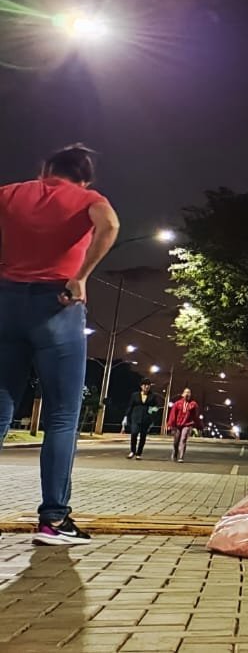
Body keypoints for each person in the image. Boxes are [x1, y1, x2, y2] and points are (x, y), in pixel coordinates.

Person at [0, 144, 120, 546]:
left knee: (1, 407)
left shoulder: (10, 193)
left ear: (45, 168)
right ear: (85, 177)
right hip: (58, 306)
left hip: (6, 303)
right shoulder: (88, 198)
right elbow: (110, 226)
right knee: (63, 416)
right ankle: (53, 520)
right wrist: (81, 275)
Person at [125, 379, 163, 461]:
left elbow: (156, 408)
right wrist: (126, 416)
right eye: (145, 385)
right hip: (135, 418)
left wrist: (150, 413)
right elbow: (130, 406)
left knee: (143, 436)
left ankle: (139, 453)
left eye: (148, 385)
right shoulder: (135, 395)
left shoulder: (153, 396)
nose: (147, 387)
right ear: (141, 386)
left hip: (146, 419)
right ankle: (132, 451)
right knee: (134, 434)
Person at [169, 388, 200, 462]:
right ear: (182, 394)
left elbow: (196, 415)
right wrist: (171, 425)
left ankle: (181, 457)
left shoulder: (193, 404)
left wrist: (198, 425)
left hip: (187, 424)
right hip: (177, 425)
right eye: (186, 392)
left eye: (189, 392)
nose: (187, 394)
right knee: (176, 442)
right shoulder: (177, 403)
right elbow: (173, 415)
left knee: (183, 439)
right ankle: (175, 453)